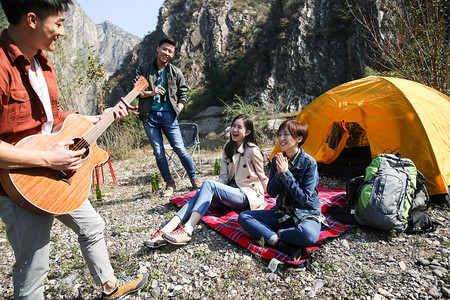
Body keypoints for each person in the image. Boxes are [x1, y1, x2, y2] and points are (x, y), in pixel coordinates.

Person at [0, 1, 147, 299]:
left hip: (57, 175)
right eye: (58, 23)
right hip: (22, 186)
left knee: (92, 225)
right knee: (33, 273)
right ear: (31, 20)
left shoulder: (43, 61)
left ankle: (109, 286)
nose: (63, 32)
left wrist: (95, 118)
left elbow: (49, 122)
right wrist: (47, 158)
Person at [144, 114, 268, 247]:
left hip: (246, 194)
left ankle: (188, 229)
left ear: (247, 132)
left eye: (239, 127)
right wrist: (210, 190)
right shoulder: (228, 147)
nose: (234, 130)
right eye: (233, 126)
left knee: (208, 184)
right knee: (201, 193)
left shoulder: (252, 150)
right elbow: (223, 177)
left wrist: (268, 198)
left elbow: (262, 176)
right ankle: (166, 229)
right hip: (231, 192)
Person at [238, 119, 323, 261]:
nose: (281, 139)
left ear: (299, 138)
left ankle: (272, 234)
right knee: (244, 217)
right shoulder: (277, 160)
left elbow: (304, 199)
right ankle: (281, 244)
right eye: (279, 135)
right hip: (282, 213)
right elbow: (271, 192)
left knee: (308, 236)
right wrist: (278, 173)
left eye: (286, 135)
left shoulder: (309, 163)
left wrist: (286, 174)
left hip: (305, 213)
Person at [136, 35, 201, 197]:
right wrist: (152, 92)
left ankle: (193, 179)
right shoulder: (144, 68)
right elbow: (137, 90)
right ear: (158, 49)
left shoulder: (175, 72)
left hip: (169, 116)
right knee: (158, 151)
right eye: (164, 49)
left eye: (170, 51)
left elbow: (183, 92)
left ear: (173, 54)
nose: (166, 53)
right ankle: (170, 183)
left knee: (180, 148)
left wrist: (178, 108)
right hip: (149, 116)